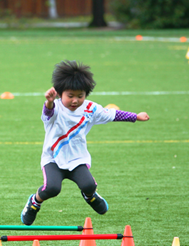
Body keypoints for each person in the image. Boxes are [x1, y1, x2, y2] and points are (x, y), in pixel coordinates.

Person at [21, 60, 149, 225]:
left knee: (89, 185)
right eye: (70, 96)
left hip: (77, 158)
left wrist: (135, 116)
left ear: (86, 94)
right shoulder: (56, 108)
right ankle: (34, 203)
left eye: (80, 96)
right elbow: (48, 112)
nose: (75, 100)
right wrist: (49, 102)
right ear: (60, 93)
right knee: (52, 188)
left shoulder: (90, 109)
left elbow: (112, 114)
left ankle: (90, 196)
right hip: (53, 158)